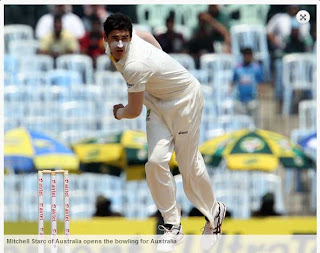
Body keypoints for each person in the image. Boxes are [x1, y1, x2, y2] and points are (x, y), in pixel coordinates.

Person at [103, 13, 226, 252]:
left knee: (186, 164)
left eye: (124, 39)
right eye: (115, 38)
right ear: (105, 37)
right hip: (157, 103)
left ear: (129, 37)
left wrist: (117, 112)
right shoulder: (128, 40)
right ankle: (172, 225)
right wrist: (160, 63)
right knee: (155, 162)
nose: (119, 44)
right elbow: (147, 35)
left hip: (184, 100)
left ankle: (214, 213)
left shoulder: (134, 65)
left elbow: (133, 111)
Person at [232, 47, 264, 127]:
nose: (247, 57)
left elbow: (261, 83)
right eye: (245, 55)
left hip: (252, 100)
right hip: (240, 101)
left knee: (255, 126)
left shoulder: (257, 68)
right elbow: (233, 82)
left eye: (249, 55)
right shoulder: (237, 68)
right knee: (241, 126)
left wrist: (260, 95)